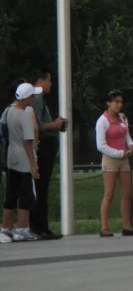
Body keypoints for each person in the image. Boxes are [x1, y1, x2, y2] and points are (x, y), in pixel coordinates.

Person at [95, 89, 133, 237]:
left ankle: (127, 226)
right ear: (108, 103)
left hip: (124, 159)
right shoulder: (102, 121)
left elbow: (126, 135)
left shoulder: (122, 118)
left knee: (126, 193)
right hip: (111, 158)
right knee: (109, 193)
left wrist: (131, 145)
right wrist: (119, 153)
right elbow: (100, 145)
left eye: (121, 102)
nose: (119, 105)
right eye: (116, 102)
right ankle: (104, 227)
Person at [29, 69, 67, 240]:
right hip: (44, 146)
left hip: (47, 145)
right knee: (41, 187)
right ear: (41, 81)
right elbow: (39, 125)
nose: (51, 84)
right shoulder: (36, 99)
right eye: (49, 80)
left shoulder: (39, 99)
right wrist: (56, 124)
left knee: (43, 186)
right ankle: (39, 226)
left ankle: (41, 225)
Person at [2, 83, 40, 242]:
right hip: (24, 158)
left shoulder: (9, 111)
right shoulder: (24, 115)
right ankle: (22, 227)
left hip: (11, 156)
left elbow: (2, 128)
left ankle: (5, 228)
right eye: (33, 96)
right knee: (26, 194)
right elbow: (28, 142)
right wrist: (33, 164)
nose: (34, 98)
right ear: (27, 98)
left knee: (11, 193)